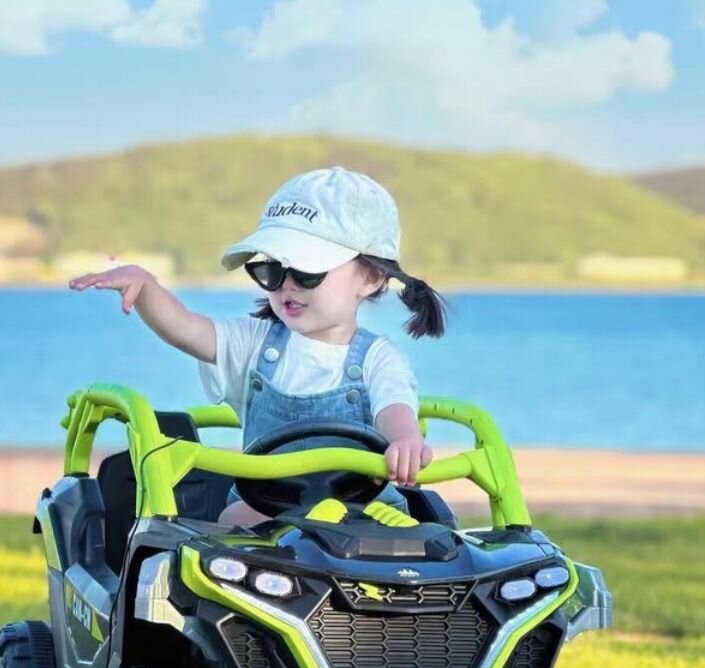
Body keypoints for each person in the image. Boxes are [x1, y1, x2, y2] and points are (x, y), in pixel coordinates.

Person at [69, 166, 447, 526]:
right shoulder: (254, 342)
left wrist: (405, 441)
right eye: (271, 269)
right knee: (232, 523)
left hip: (366, 513)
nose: (286, 284)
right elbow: (187, 329)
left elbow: (393, 406)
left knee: (423, 541)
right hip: (269, 511)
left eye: (307, 272)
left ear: (371, 277)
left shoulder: (377, 358)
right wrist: (147, 288)